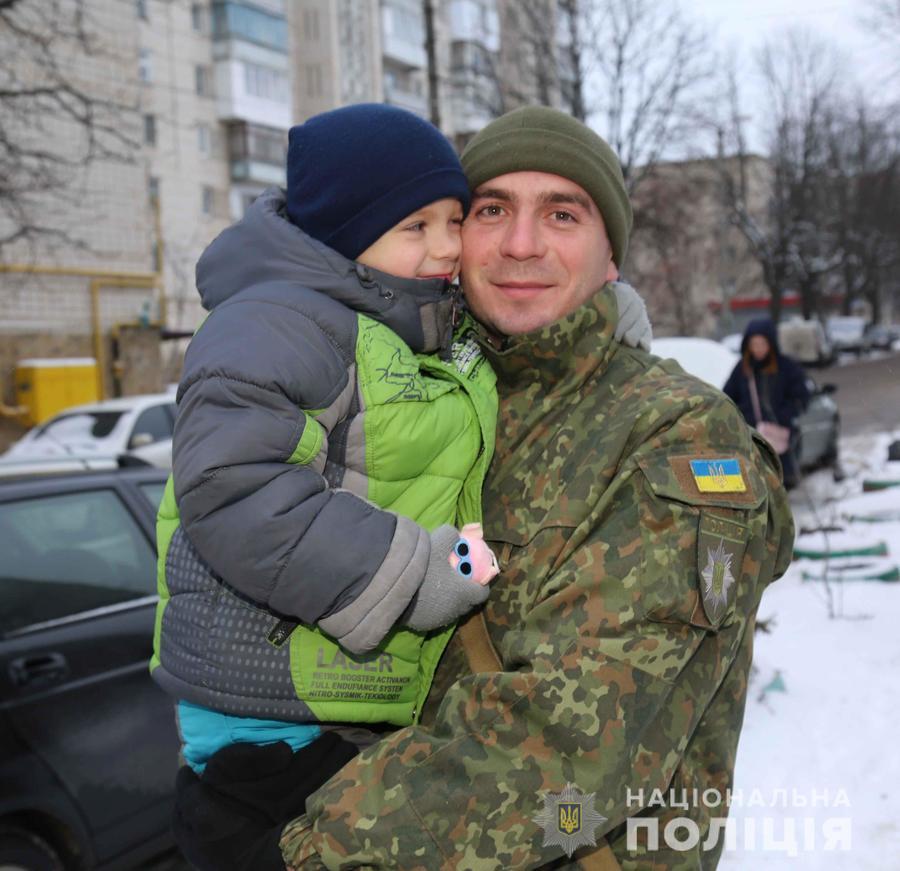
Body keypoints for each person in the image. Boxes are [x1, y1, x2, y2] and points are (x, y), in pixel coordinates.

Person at [175, 107, 795, 870]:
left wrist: (304, 850)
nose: (520, 243)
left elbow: (567, 738)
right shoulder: (436, 382)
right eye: (489, 210)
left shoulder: (676, 438)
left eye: (562, 213)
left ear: (611, 259)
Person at [151, 104, 510, 868]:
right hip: (271, 731)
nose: (448, 246)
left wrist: (608, 317)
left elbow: (525, 339)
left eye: (454, 219)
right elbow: (237, 488)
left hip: (348, 707)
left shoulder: (411, 324)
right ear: (343, 235)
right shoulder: (279, 322)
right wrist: (415, 575)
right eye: (417, 226)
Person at [723, 317, 810, 488]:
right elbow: (727, 398)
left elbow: (801, 398)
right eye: (754, 344)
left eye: (762, 343)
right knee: (755, 486)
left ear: (771, 343)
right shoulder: (743, 369)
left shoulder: (786, 367)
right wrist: (742, 416)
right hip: (751, 439)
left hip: (780, 438)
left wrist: (784, 415)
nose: (758, 349)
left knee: (781, 485)